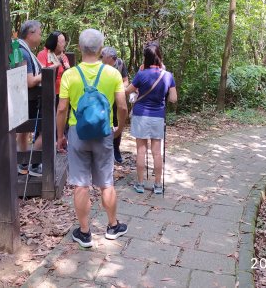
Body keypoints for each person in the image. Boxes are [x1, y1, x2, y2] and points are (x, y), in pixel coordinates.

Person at [57, 29, 128, 248]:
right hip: (104, 132)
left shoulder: (70, 75)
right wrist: (118, 130)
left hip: (77, 132)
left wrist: (60, 136)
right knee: (106, 183)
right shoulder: (113, 73)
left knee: (81, 184)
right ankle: (113, 226)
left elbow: (62, 109)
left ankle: (85, 232)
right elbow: (123, 106)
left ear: (79, 48)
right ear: (100, 49)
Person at [125, 42, 177, 195]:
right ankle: (158, 185)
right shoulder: (167, 76)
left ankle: (140, 184)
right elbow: (173, 98)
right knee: (157, 152)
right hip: (158, 116)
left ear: (145, 58)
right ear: (160, 57)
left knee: (141, 151)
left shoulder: (141, 75)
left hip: (141, 115)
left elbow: (128, 91)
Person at [16, 20, 43, 177]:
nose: (40, 37)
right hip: (29, 98)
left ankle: (24, 162)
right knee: (48, 129)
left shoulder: (19, 50)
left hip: (23, 99)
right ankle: (33, 162)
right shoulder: (23, 52)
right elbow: (30, 81)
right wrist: (47, 72)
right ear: (30, 34)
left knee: (23, 130)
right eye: (39, 33)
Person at [100, 47, 129, 163]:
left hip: (116, 99)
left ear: (111, 58)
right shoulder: (98, 65)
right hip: (102, 100)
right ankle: (103, 150)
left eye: (104, 57)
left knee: (116, 123)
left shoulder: (120, 64)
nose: (102, 59)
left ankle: (116, 149)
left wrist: (119, 89)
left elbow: (126, 80)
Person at [37, 31, 70, 98]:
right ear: (54, 43)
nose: (64, 44)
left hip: (63, 93)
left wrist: (68, 69)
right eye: (62, 42)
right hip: (48, 94)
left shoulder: (63, 56)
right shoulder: (43, 54)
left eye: (64, 41)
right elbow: (43, 73)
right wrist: (56, 64)